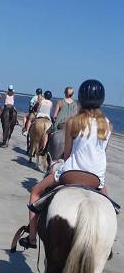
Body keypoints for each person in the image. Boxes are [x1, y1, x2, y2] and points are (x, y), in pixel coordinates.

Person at [19, 79, 111, 249]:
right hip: (96, 179)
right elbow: (101, 154)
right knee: (111, 208)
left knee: (35, 192)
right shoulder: (107, 125)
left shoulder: (72, 122)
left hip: (71, 173)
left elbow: (67, 154)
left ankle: (31, 238)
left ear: (81, 101)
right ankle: (107, 245)